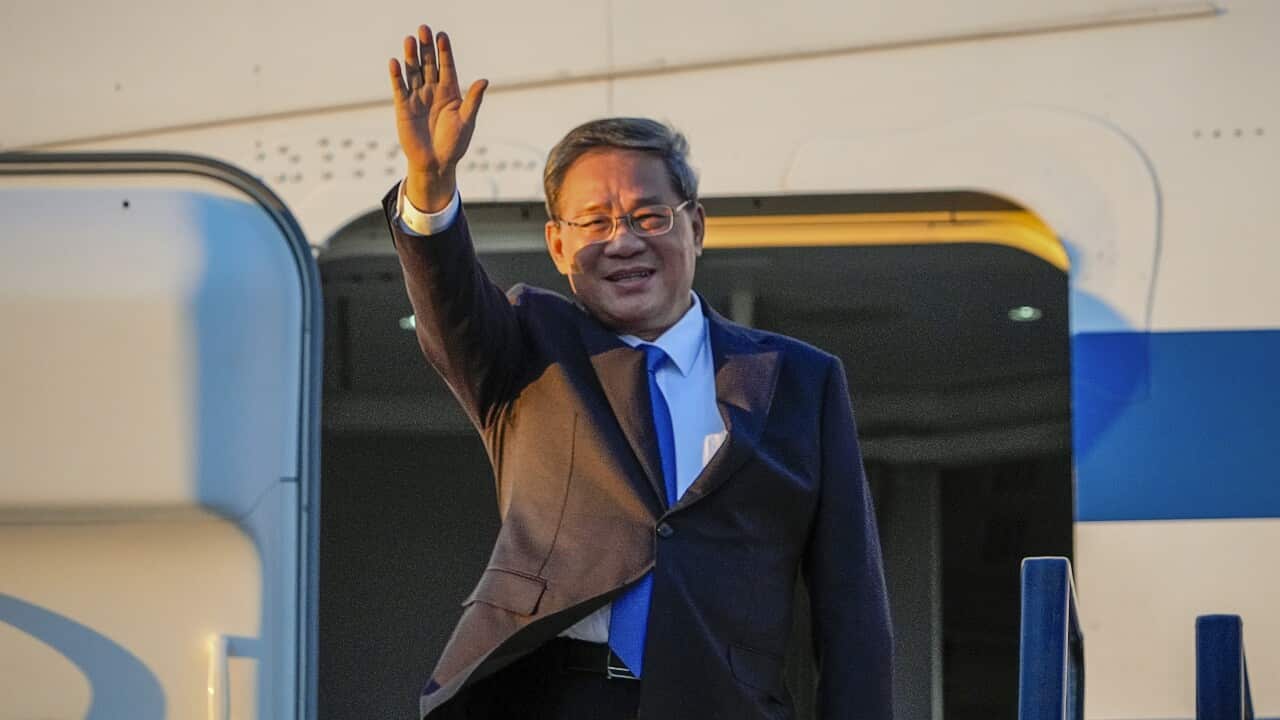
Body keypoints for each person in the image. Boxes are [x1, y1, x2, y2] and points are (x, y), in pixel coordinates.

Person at [384, 23, 893, 720]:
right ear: (558, 246)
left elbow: (851, 603)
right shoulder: (526, 348)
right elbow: (448, 303)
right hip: (554, 699)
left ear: (697, 228)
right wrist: (430, 185)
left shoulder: (802, 380)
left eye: (649, 215)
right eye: (593, 222)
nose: (622, 240)